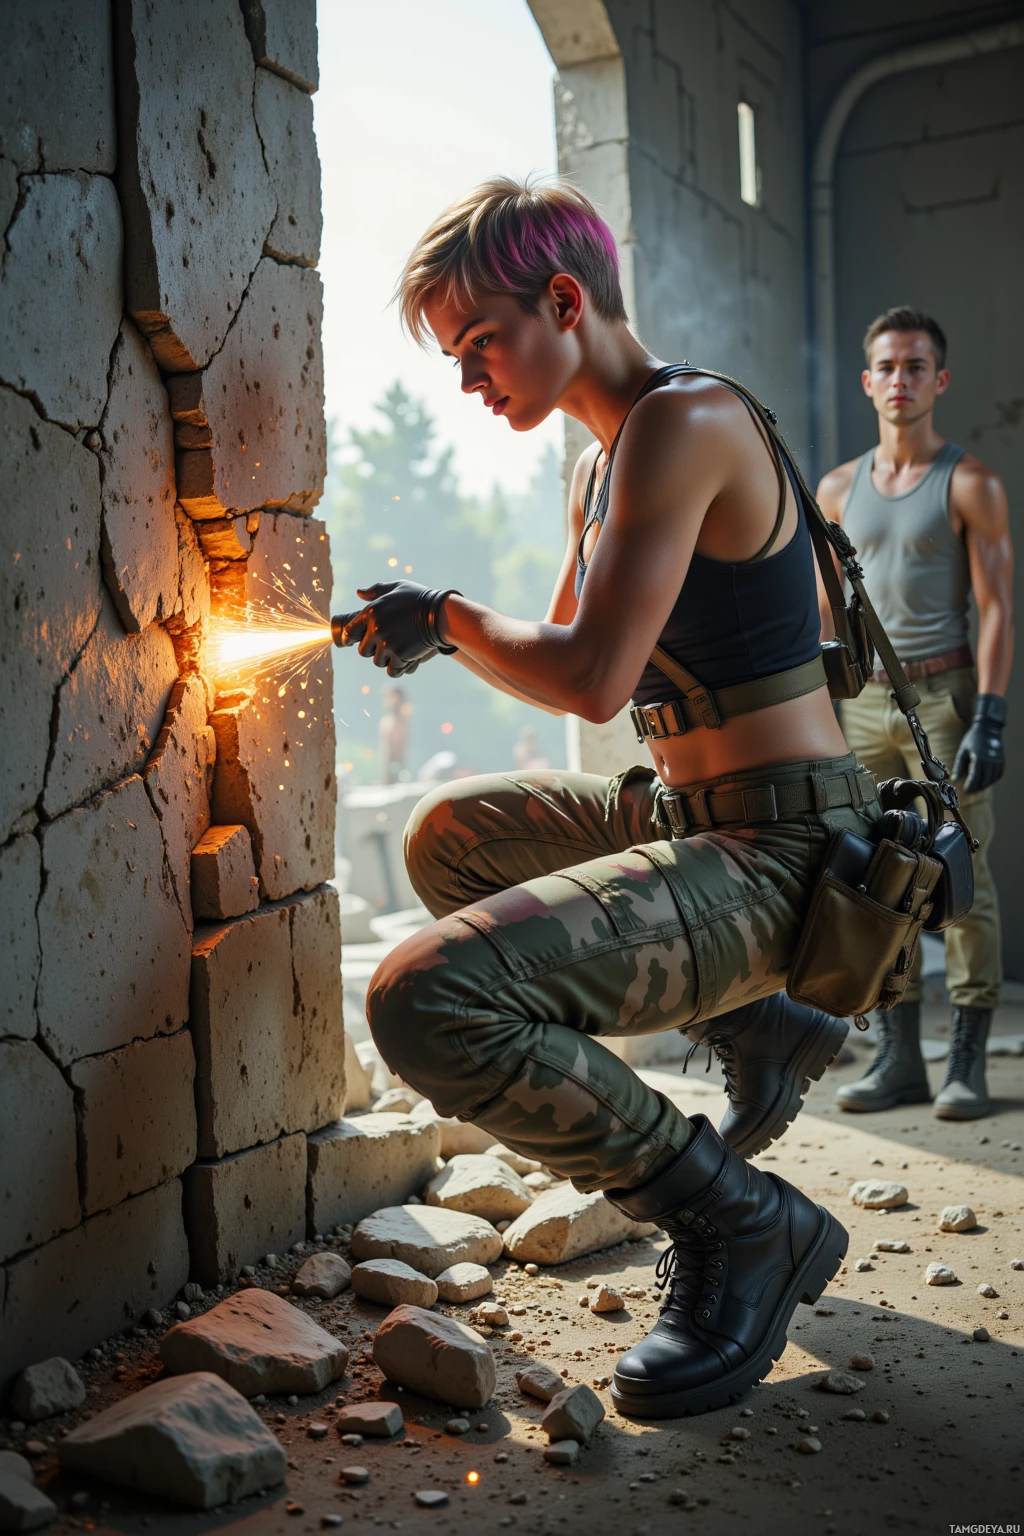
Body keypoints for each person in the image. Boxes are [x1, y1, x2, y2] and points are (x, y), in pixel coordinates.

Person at [334, 177, 875, 1419]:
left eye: (479, 345)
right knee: (447, 837)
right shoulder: (603, 460)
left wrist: (451, 616)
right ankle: (762, 1029)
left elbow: (588, 681)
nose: (468, 382)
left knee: (422, 996)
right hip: (696, 824)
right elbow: (583, 659)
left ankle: (740, 1225)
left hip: (786, 848)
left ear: (565, 302)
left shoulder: (684, 421)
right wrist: (439, 628)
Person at [817, 308, 1013, 1121]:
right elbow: (826, 617)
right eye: (887, 366)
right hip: (861, 708)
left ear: (940, 380)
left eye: (916, 366)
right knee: (878, 882)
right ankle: (900, 1061)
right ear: (869, 382)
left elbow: (997, 606)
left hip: (943, 698)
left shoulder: (970, 482)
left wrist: (991, 715)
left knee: (962, 878)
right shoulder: (835, 489)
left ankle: (967, 1063)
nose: (901, 380)